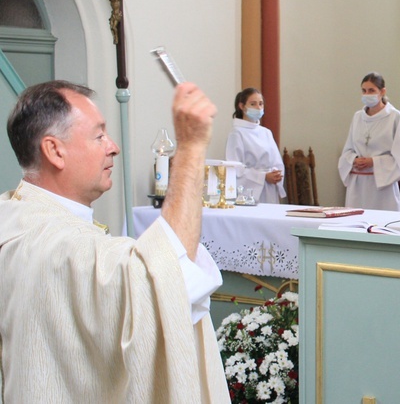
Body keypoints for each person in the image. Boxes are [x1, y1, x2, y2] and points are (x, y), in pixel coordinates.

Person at [0, 80, 229, 402]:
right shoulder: (59, 246)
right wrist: (191, 147)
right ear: (54, 150)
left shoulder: (13, 216)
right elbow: (166, 279)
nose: (113, 146)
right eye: (98, 135)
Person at [338, 72, 400, 211]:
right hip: (358, 185)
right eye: (364, 90)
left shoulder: (395, 117)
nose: (367, 94)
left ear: (382, 91)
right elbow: (348, 150)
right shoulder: (358, 117)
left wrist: (373, 161)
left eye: (371, 90)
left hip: (382, 186)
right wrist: (353, 159)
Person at [225, 87, 285, 204]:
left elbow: (276, 161)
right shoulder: (237, 133)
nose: (258, 108)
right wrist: (262, 176)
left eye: (261, 104)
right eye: (253, 104)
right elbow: (235, 168)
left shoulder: (266, 132)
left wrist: (275, 174)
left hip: (269, 188)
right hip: (251, 190)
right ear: (242, 106)